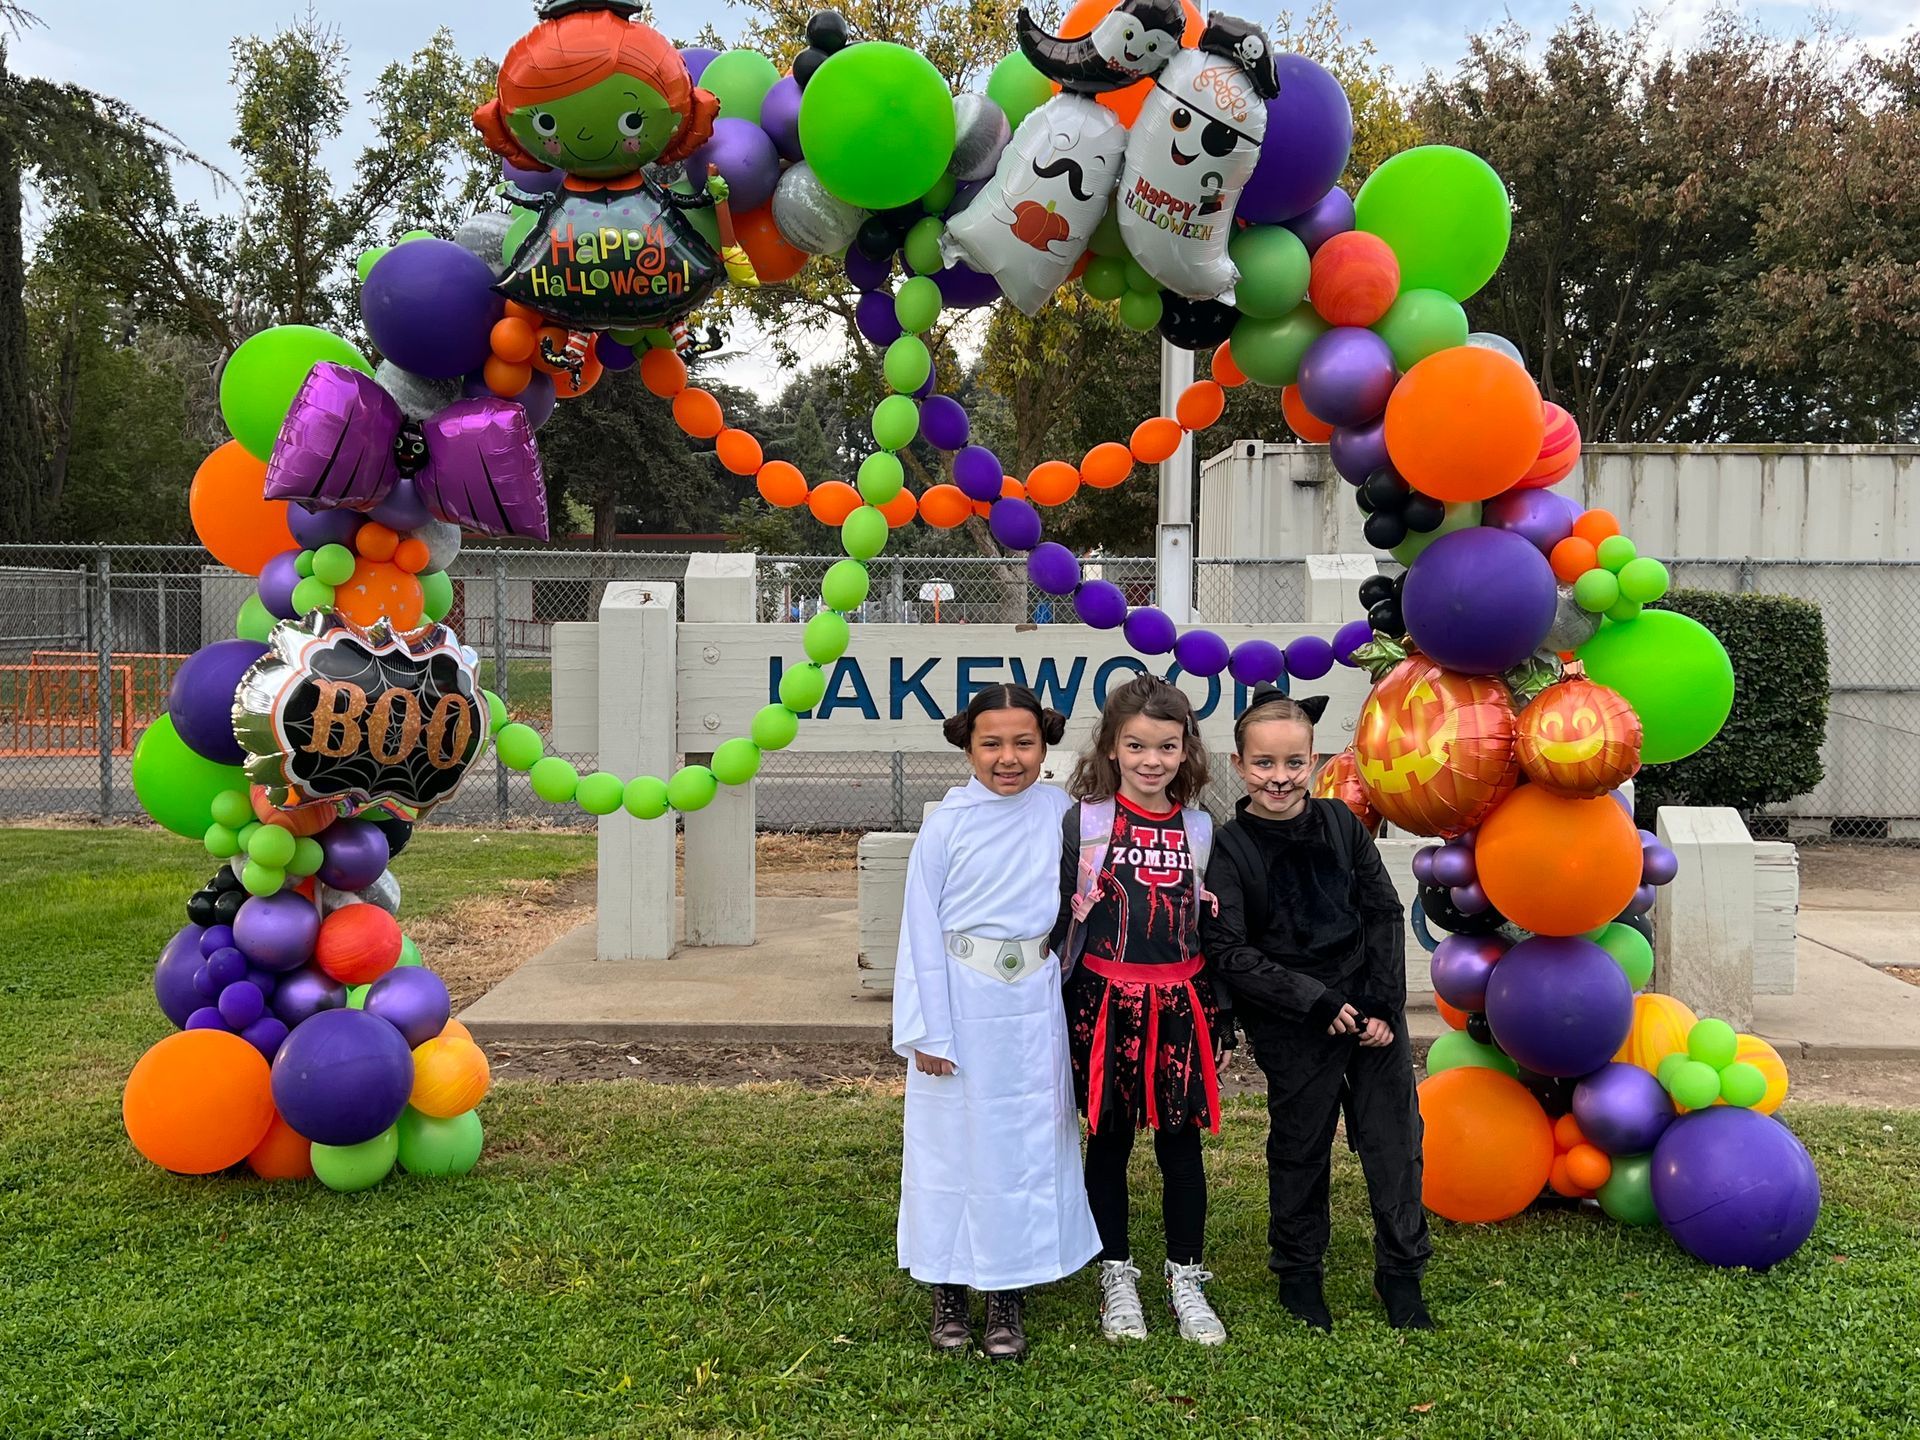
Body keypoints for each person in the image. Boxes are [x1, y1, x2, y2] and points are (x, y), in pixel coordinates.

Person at [1199, 687, 1433, 1332]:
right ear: (1240, 765)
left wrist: (1381, 1004)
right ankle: (1300, 1276)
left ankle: (1401, 1275)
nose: (1280, 778)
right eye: (1265, 765)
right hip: (1294, 1021)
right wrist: (1314, 1001)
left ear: (1314, 760)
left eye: (1294, 763)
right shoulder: (1231, 847)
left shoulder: (1339, 825)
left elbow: (1383, 911)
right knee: (1301, 1148)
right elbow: (1230, 950)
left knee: (1394, 1143)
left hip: (1370, 1012)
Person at [893, 684, 1101, 1362]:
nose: (1008, 758)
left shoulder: (1064, 812)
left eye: (1024, 743)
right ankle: (950, 1283)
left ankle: (1008, 1289)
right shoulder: (947, 823)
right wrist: (928, 1029)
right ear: (968, 747)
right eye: (992, 744)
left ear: (1045, 745)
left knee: (1022, 1145)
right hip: (960, 999)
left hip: (1031, 1003)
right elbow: (920, 927)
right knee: (953, 1145)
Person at [1051, 674, 1228, 1345]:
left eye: (1166, 746)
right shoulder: (1086, 824)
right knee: (1112, 1142)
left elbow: (1213, 931)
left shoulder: (1202, 829)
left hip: (1180, 1006)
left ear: (1186, 752)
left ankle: (1186, 1275)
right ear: (1111, 748)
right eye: (1136, 745)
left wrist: (1223, 1014)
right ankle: (1115, 1274)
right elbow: (1054, 922)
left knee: (1181, 1147)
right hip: (1104, 1007)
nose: (1151, 760)